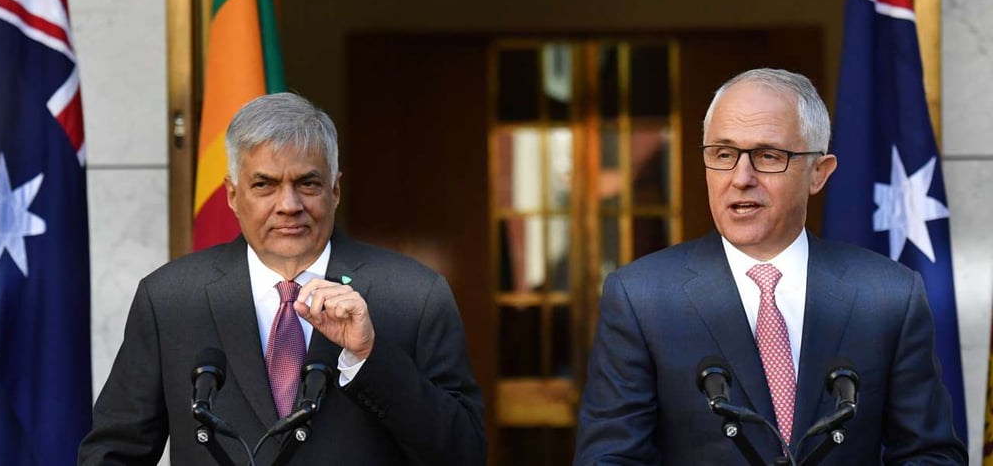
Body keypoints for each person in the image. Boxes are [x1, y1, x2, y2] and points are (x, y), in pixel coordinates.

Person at [573, 68, 966, 464]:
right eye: (724, 155)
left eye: (767, 156)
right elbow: (610, 457)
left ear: (818, 173)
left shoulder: (888, 296)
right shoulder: (641, 298)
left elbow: (930, 454)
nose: (741, 178)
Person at [79, 92, 486, 465]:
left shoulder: (414, 295)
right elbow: (115, 454)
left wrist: (369, 358)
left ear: (335, 190)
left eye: (307, 183)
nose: (289, 205)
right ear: (233, 196)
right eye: (265, 185)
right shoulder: (169, 299)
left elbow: (464, 453)